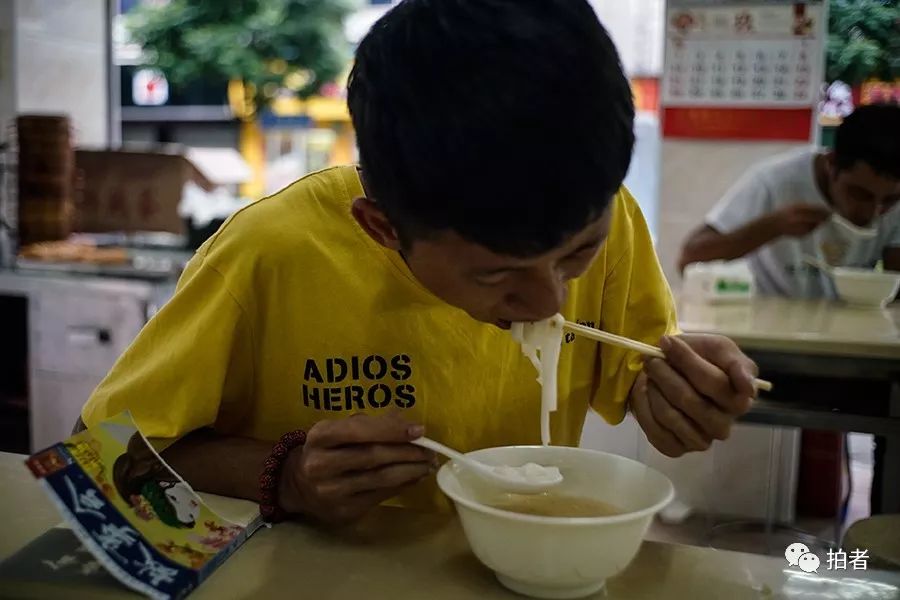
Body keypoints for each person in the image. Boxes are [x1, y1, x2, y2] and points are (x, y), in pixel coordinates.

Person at [77, 0, 759, 525]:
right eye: (496, 275)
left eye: (576, 254)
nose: (551, 301)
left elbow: (638, 379)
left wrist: (679, 399)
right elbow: (100, 452)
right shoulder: (272, 252)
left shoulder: (606, 221)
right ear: (381, 228)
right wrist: (283, 477)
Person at [679, 104, 900, 298]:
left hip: (855, 335)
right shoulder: (776, 181)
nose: (874, 212)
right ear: (831, 164)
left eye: (890, 200)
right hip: (770, 332)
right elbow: (689, 258)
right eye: (860, 194)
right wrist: (771, 227)